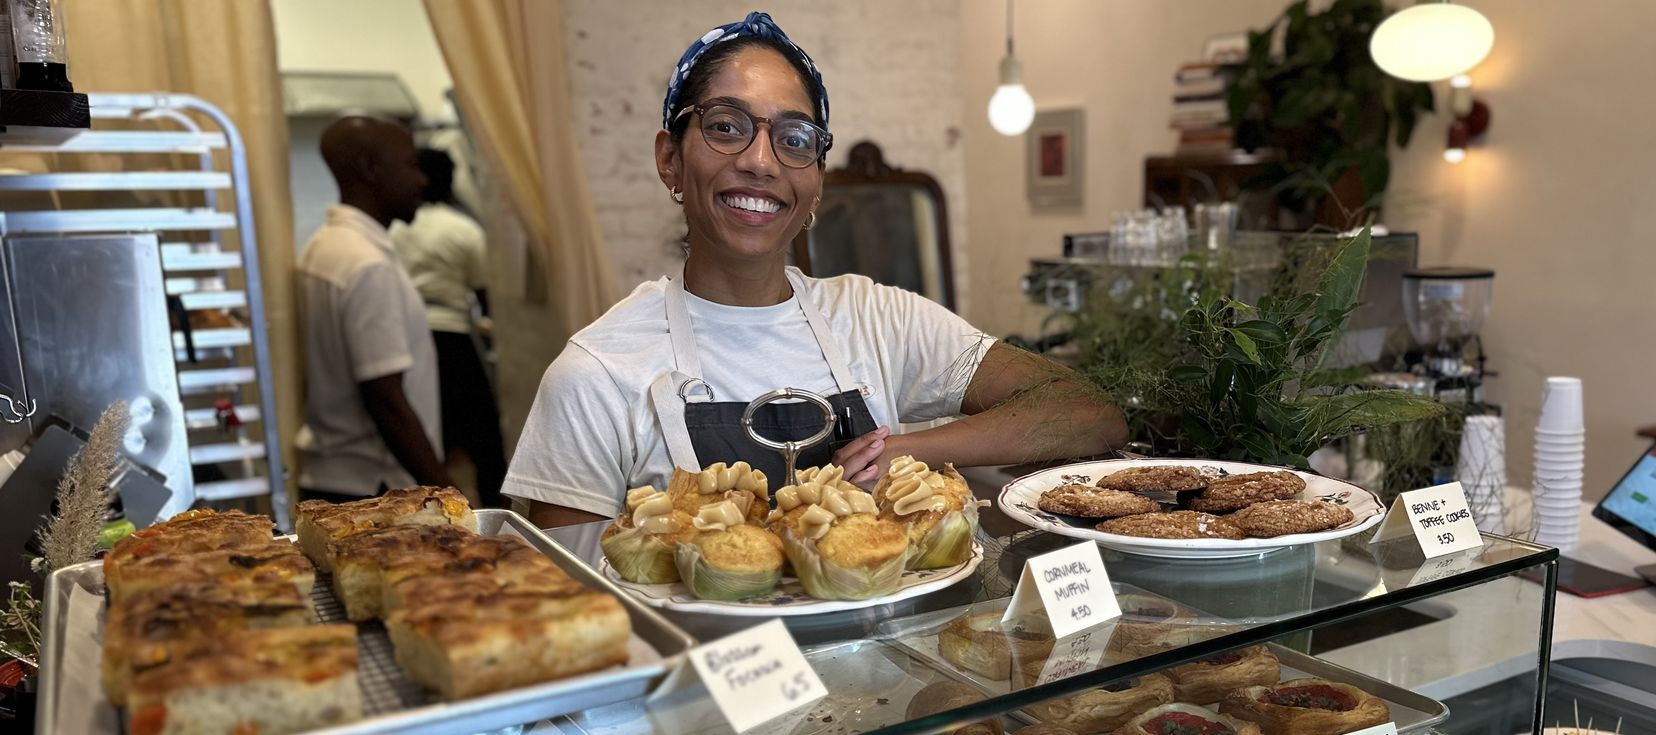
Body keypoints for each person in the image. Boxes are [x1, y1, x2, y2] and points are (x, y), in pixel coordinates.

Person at [502, 12, 1126, 528]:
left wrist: (904, 451)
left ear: (817, 183)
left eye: (795, 139)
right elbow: (572, 599)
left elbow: (1089, 411)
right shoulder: (598, 374)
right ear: (670, 159)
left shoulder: (879, 318)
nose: (761, 161)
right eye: (726, 128)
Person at [294, 115, 454, 502]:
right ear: (370, 169)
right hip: (373, 487)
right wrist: (447, 491)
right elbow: (385, 399)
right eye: (411, 165)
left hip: (338, 478)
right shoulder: (366, 263)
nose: (423, 180)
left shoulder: (326, 245)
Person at [392, 148, 507, 507]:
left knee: (426, 430)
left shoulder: (393, 230)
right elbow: (482, 291)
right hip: (454, 340)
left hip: (404, 338)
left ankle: (427, 504)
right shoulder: (462, 229)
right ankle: (491, 511)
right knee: (483, 435)